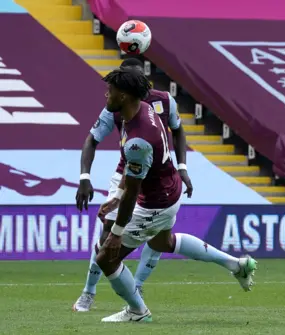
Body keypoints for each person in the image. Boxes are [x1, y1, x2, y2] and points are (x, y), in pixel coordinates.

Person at [94, 68, 257, 323]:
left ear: (124, 96)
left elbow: (134, 188)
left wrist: (116, 233)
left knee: (106, 257)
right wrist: (117, 196)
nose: (106, 94)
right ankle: (236, 265)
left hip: (155, 204)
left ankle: (138, 311)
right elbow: (136, 170)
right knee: (162, 243)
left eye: (111, 90)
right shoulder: (144, 109)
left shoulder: (138, 140)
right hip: (169, 190)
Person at [73, 58, 194, 312]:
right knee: (153, 241)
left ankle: (137, 305)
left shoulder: (148, 121)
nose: (108, 92)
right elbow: (92, 140)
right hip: (139, 175)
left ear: (128, 92)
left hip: (153, 185)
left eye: (114, 87)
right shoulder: (135, 109)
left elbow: (176, 132)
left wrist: (118, 228)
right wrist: (91, 181)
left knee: (113, 249)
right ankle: (92, 291)